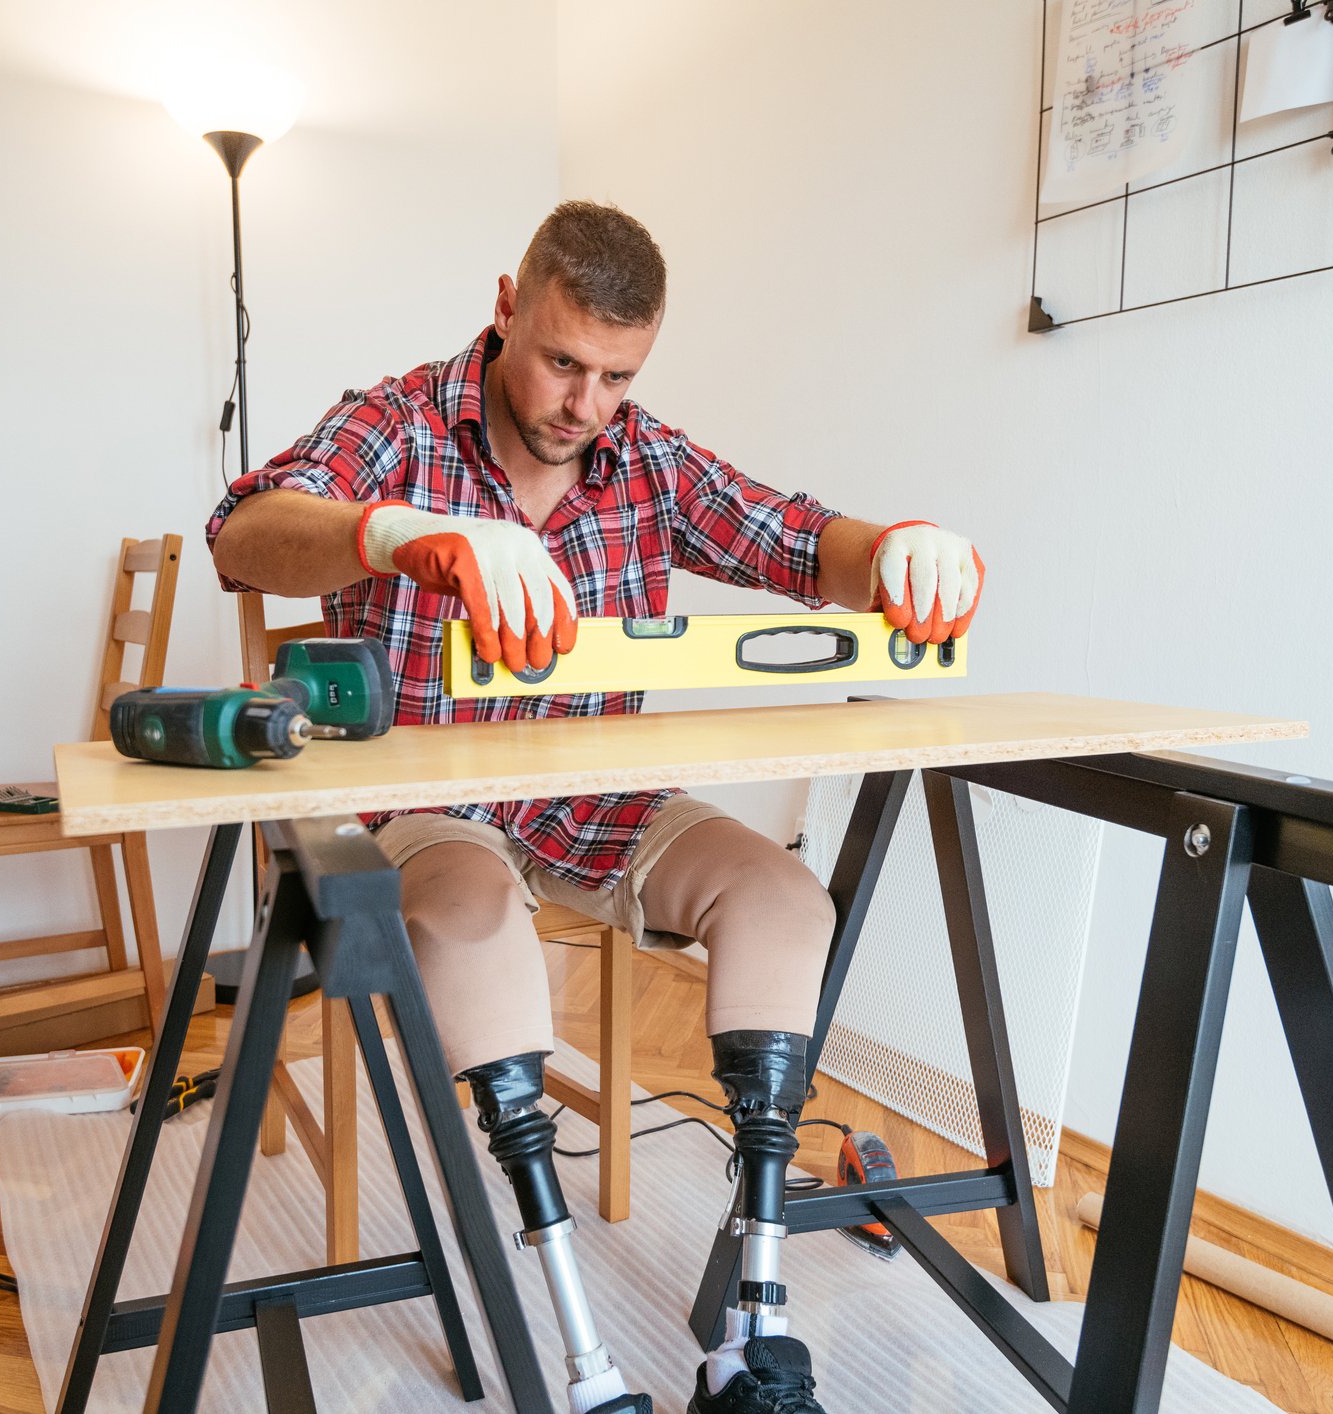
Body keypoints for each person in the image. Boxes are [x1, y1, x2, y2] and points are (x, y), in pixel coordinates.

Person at [207, 200, 982, 1414]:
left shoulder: (647, 455)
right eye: (564, 361)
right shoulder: (397, 419)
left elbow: (794, 538)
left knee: (783, 897)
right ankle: (582, 1362)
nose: (585, 403)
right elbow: (247, 534)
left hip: (599, 799)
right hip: (431, 799)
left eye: (616, 376)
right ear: (506, 308)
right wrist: (403, 535)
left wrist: (896, 548)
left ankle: (752, 1338)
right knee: (472, 916)